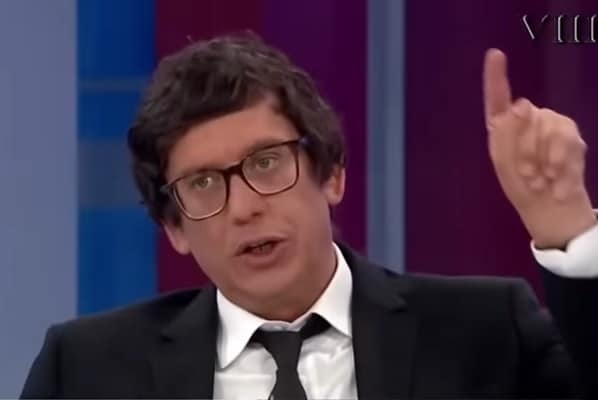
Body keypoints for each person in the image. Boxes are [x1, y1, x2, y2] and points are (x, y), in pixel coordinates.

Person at [21, 34, 598, 399]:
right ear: (175, 228)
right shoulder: (86, 369)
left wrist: (569, 230)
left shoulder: (487, 332)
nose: (245, 207)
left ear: (333, 175)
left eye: (267, 163)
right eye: (203, 184)